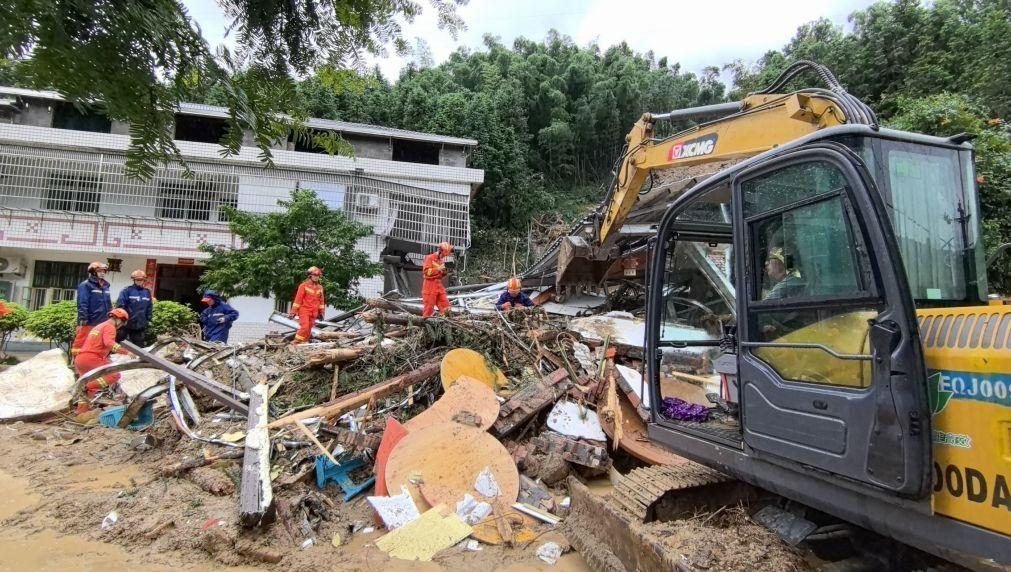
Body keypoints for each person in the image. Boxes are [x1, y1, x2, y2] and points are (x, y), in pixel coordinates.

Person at [74, 308, 130, 412]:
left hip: (81, 359)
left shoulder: (99, 326)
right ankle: (84, 386)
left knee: (89, 390)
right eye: (122, 323)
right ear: (119, 319)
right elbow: (109, 343)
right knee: (114, 374)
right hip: (93, 357)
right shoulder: (110, 327)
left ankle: (81, 413)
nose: (121, 326)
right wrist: (127, 352)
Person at [71, 262, 112, 356]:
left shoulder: (106, 286)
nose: (102, 273)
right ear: (93, 272)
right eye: (99, 271)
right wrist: (83, 319)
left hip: (103, 321)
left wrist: (110, 317)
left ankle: (97, 364)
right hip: (89, 321)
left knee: (99, 344)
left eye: (104, 271)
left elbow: (108, 303)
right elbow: (82, 303)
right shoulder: (85, 285)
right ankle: (78, 364)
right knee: (82, 344)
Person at [116, 270, 153, 347]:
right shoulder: (126, 291)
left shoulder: (147, 292)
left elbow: (149, 307)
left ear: (144, 280)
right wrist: (122, 320)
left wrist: (148, 319)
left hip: (140, 324)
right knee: (116, 344)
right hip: (126, 324)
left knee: (139, 347)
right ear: (134, 280)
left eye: (141, 280)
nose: (139, 281)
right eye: (137, 280)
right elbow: (120, 306)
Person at [289, 266, 325, 344]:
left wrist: (321, 313)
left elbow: (321, 302)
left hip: (314, 312)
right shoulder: (303, 286)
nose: (316, 277)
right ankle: (296, 341)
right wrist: (293, 312)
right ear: (310, 276)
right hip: (304, 310)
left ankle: (304, 342)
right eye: (315, 275)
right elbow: (297, 300)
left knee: (309, 329)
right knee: (304, 327)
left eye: (318, 276)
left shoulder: (320, 288)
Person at [422, 242, 453, 317]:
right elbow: (426, 272)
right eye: (443, 255)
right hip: (430, 286)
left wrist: (444, 273)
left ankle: (446, 323)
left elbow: (439, 275)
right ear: (440, 251)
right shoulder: (430, 258)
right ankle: (425, 324)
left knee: (446, 307)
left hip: (438, 285)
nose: (443, 257)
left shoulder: (440, 260)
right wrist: (438, 269)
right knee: (428, 309)